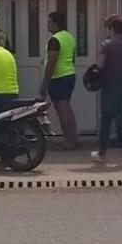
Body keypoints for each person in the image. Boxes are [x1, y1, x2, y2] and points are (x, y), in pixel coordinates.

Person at [91, 14, 122, 166]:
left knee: (105, 121)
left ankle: (102, 154)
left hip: (110, 88)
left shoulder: (107, 44)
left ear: (112, 28)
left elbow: (99, 66)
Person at [40, 11, 79, 150]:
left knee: (62, 110)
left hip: (59, 78)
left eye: (49, 22)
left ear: (56, 23)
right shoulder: (69, 37)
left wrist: (45, 83)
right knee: (67, 109)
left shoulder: (55, 40)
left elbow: (52, 61)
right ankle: (73, 138)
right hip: (69, 75)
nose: (47, 25)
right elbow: (72, 58)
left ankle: (69, 141)